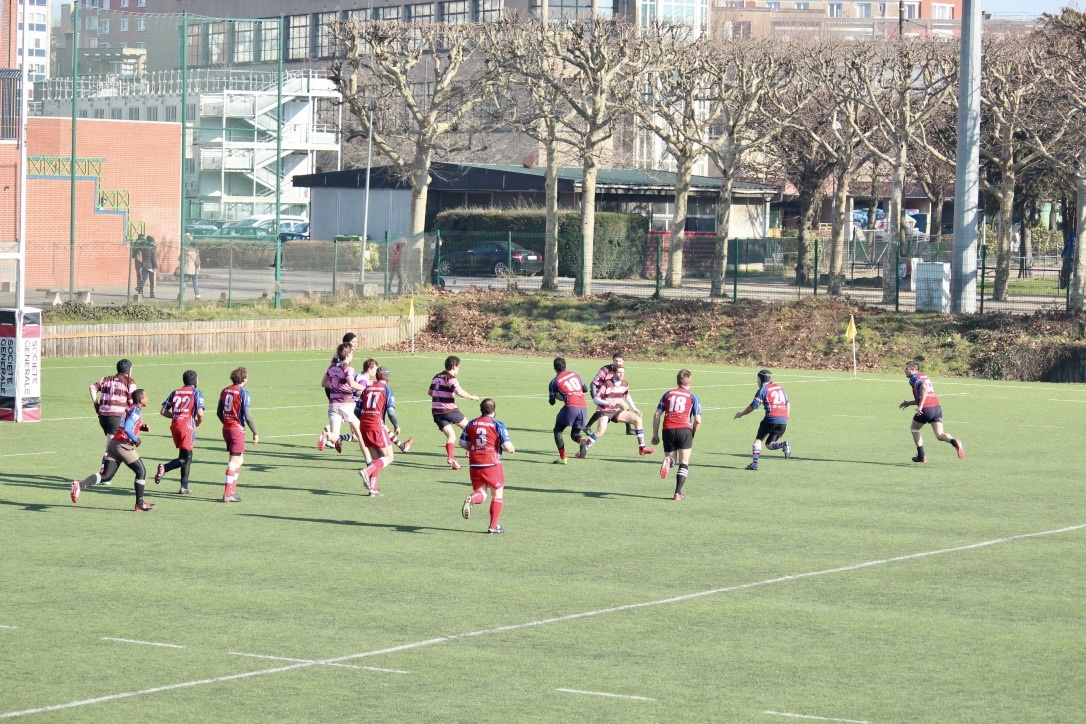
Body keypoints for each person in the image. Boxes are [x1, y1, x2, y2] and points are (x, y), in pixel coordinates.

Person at [71, 389, 156, 511]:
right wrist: (136, 439)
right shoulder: (136, 412)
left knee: (106, 476)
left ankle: (79, 485)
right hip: (123, 446)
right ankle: (140, 504)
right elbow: (127, 428)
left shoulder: (130, 408)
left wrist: (141, 427)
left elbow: (126, 424)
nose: (148, 399)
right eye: (146, 397)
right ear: (141, 400)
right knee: (141, 471)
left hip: (113, 444)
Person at [329, 357, 414, 456]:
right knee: (378, 429)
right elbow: (359, 391)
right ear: (369, 369)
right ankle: (332, 436)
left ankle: (338, 437)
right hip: (359, 408)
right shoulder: (364, 380)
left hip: (354, 407)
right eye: (374, 369)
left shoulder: (360, 375)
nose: (375, 371)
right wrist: (369, 390)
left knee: (359, 435)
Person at [460, 398, 515, 534]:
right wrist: (512, 449)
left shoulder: (471, 423)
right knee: (497, 496)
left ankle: (472, 499)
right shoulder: (498, 424)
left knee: (481, 494)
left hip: (474, 463)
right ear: (495, 411)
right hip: (492, 464)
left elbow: (462, 442)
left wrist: (475, 449)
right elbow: (507, 446)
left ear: (481, 410)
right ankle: (493, 526)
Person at [576, 364, 655, 458]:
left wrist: (634, 408)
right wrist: (606, 403)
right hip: (604, 411)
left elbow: (627, 396)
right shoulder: (607, 384)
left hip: (615, 411)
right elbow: (596, 399)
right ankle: (583, 449)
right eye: (619, 372)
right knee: (600, 431)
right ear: (613, 373)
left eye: (623, 372)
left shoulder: (625, 384)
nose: (621, 374)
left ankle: (642, 447)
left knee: (638, 420)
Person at [898, 361, 964, 463]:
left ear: (912, 370)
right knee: (940, 435)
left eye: (906, 369)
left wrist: (920, 407)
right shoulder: (924, 376)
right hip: (936, 408)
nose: (904, 371)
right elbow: (925, 395)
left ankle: (921, 456)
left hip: (926, 409)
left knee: (914, 429)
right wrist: (909, 403)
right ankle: (954, 442)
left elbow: (924, 388)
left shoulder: (913, 378)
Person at [652, 369, 702, 500]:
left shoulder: (667, 394)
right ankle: (677, 493)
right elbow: (697, 420)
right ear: (690, 382)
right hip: (684, 429)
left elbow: (657, 414)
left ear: (677, 381)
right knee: (684, 462)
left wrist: (655, 434)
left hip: (668, 429)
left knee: (671, 458)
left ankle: (668, 461)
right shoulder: (692, 397)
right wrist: (693, 432)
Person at [155, 370, 205, 494]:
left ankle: (184, 486)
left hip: (175, 426)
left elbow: (163, 411)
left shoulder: (175, 392)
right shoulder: (196, 392)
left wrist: (177, 416)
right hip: (187, 427)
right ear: (195, 380)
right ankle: (165, 468)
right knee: (186, 458)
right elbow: (200, 413)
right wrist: (199, 422)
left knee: (186, 455)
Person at [89, 358, 137, 485]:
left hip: (103, 417)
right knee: (111, 446)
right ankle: (104, 475)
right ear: (129, 370)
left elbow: (92, 387)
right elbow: (131, 401)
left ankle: (105, 474)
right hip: (116, 417)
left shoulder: (106, 379)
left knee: (113, 445)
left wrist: (96, 404)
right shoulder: (130, 382)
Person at [428, 355, 480, 471]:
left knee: (451, 436)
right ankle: (470, 451)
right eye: (458, 367)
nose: (458, 369)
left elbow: (430, 392)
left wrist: (442, 396)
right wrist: (472, 397)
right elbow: (459, 391)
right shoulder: (451, 379)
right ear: (454, 366)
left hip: (437, 413)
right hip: (450, 411)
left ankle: (451, 458)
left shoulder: (436, 377)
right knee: (470, 428)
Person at [733, 369, 791, 470]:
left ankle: (754, 464)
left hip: (771, 419)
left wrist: (741, 414)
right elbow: (788, 403)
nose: (757, 382)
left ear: (762, 380)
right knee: (769, 445)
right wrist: (786, 417)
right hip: (783, 421)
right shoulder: (780, 388)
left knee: (758, 440)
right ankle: (783, 444)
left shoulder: (763, 389)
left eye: (758, 379)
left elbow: (753, 406)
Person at [317, 343, 369, 456]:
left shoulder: (331, 368)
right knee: (360, 434)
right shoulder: (348, 369)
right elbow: (351, 383)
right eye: (352, 353)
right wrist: (367, 388)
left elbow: (323, 383)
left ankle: (326, 435)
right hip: (346, 404)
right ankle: (369, 461)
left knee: (335, 436)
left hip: (333, 405)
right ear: (348, 355)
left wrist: (335, 386)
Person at [357, 366, 401, 496]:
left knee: (376, 458)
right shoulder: (387, 390)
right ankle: (367, 471)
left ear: (377, 376)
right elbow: (391, 411)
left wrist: (365, 419)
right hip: (376, 426)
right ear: (387, 378)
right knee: (389, 457)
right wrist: (396, 425)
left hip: (363, 426)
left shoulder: (367, 389)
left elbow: (356, 409)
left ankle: (373, 488)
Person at [218, 367, 259, 503]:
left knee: (240, 460)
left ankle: (233, 490)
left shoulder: (225, 391)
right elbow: (247, 416)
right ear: (244, 379)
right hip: (237, 431)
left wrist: (227, 422)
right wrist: (255, 432)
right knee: (233, 461)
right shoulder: (244, 393)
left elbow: (219, 412)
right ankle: (227, 493)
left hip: (226, 429)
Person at [548, 356, 589, 464]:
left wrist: (558, 396)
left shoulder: (554, 382)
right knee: (574, 435)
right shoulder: (575, 374)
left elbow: (551, 402)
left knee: (557, 431)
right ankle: (581, 441)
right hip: (583, 408)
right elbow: (585, 389)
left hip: (571, 407)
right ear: (566, 366)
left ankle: (563, 458)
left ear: (554, 368)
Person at [588, 351, 635, 436]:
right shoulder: (604, 370)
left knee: (625, 406)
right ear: (613, 360)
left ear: (623, 361)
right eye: (616, 361)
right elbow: (593, 383)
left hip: (612, 393)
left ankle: (629, 430)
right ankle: (587, 427)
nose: (618, 363)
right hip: (601, 392)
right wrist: (595, 396)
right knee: (604, 410)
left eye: (620, 361)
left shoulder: (620, 370)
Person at [179, 234, 202, 301]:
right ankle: (197, 296)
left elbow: (179, 258)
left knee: (184, 283)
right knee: (195, 284)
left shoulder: (184, 251)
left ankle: (182, 295)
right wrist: (198, 267)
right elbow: (197, 262)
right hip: (193, 270)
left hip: (185, 269)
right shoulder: (195, 253)